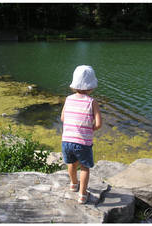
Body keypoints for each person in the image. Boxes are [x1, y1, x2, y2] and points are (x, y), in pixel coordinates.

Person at [61, 65, 102, 204]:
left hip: (66, 141)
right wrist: (89, 129)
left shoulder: (68, 99)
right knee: (84, 167)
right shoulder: (92, 102)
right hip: (83, 143)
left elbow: (62, 118)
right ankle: (83, 195)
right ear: (91, 87)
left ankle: (73, 184)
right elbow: (98, 124)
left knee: (71, 164)